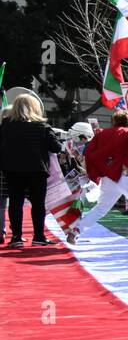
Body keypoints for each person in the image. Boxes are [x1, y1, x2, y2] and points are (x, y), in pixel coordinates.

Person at [73, 109, 128, 249]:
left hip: (109, 177)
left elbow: (89, 151)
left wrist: (99, 170)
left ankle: (77, 230)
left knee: (101, 208)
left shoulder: (102, 134)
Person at [1, 93, 63, 247]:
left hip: (12, 169)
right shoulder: (42, 126)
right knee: (38, 203)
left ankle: (16, 237)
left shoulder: (6, 125)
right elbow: (56, 147)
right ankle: (38, 236)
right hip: (37, 169)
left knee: (15, 202)